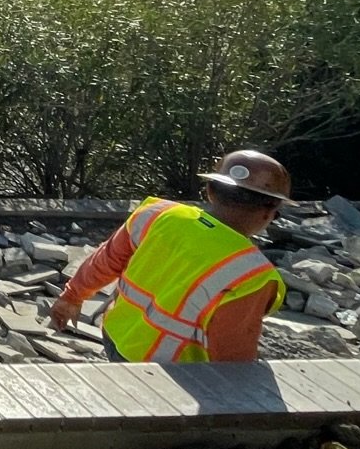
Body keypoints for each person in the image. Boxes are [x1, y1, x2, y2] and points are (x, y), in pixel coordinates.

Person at [50, 150, 292, 364]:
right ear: (269, 212)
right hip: (170, 370)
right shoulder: (251, 274)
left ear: (209, 192)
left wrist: (71, 297)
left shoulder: (157, 214)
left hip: (117, 336)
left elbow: (105, 260)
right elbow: (233, 358)